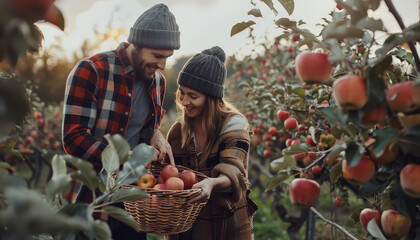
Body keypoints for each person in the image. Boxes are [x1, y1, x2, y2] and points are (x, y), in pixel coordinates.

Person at [62, 3, 178, 239]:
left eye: (167, 57)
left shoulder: (158, 82)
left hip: (133, 201)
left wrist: (156, 134)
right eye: (157, 56)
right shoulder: (91, 70)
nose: (162, 66)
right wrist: (128, 160)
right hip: (91, 199)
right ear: (136, 44)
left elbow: (147, 125)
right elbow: (74, 138)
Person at [165, 46, 258, 240]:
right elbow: (168, 175)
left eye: (193, 96)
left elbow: (235, 172)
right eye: (182, 92)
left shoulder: (233, 124)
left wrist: (212, 183)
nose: (184, 101)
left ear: (211, 98)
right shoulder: (178, 132)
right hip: (186, 226)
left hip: (225, 224)